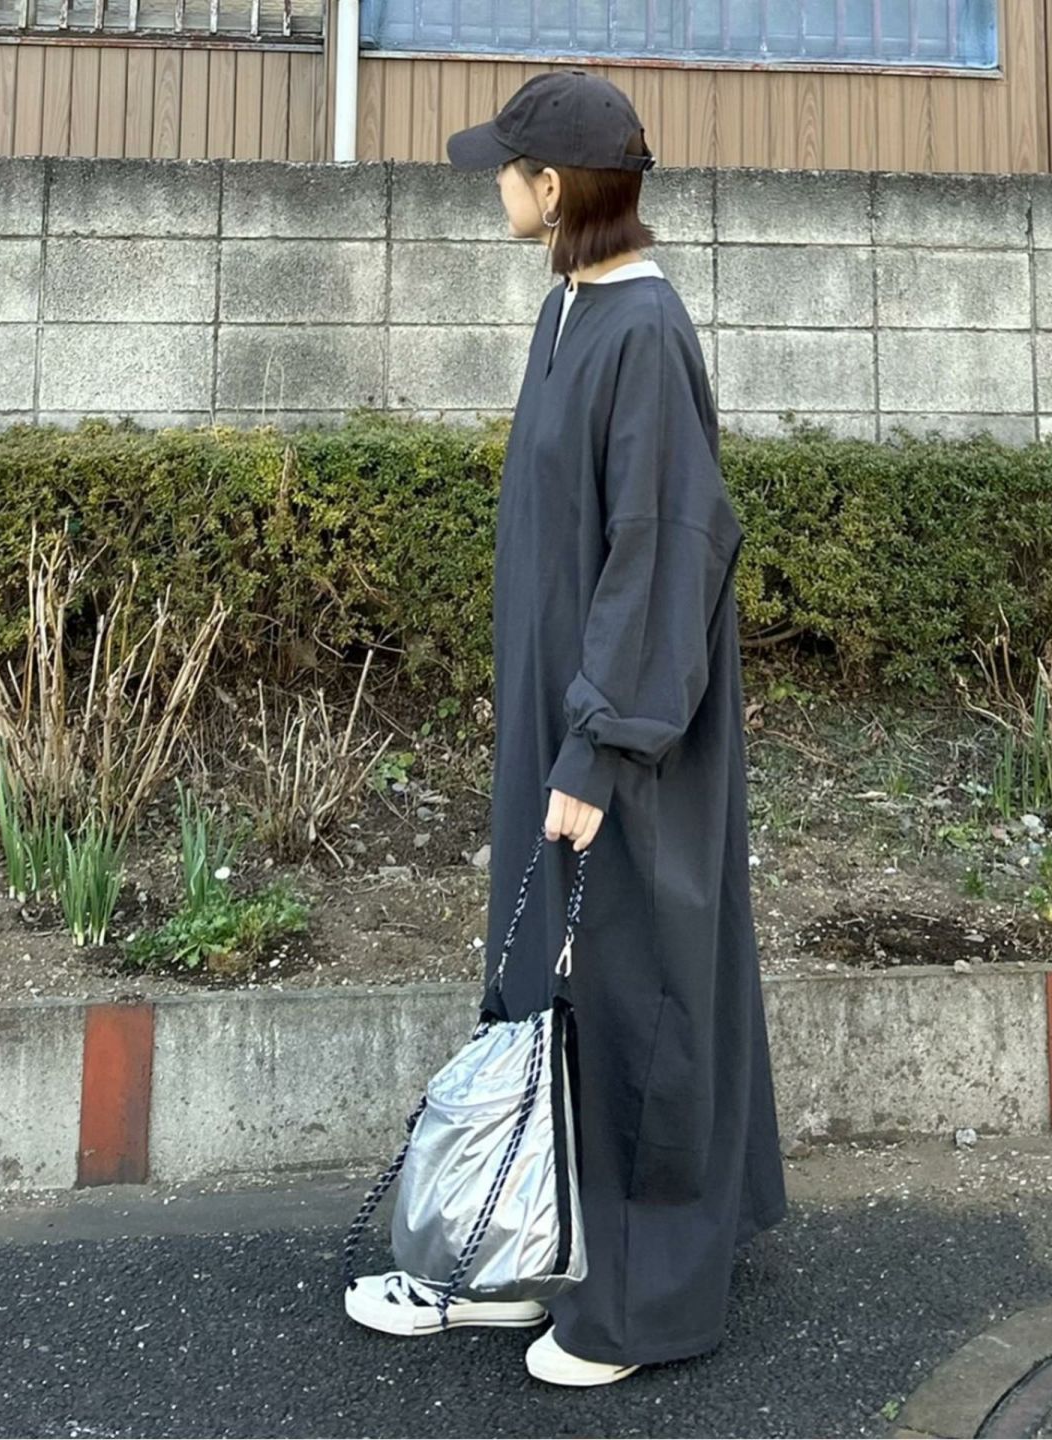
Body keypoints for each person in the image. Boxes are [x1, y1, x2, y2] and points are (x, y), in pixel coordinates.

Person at [350, 68, 788, 1387]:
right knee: (551, 990)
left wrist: (599, 748)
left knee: (637, 994)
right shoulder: (569, 310)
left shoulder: (642, 330)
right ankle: (523, 1248)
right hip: (565, 723)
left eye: (508, 167)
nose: (494, 184)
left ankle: (642, 1305)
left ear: (554, 188)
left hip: (627, 745)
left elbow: (662, 551)